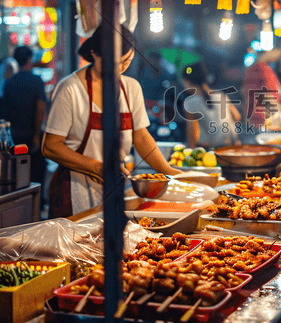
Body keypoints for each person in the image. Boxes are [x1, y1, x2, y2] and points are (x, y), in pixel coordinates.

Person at [43, 26, 180, 217]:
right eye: (116, 63)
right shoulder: (70, 89)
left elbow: (140, 137)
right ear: (94, 53)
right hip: (74, 191)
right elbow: (50, 146)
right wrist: (96, 166)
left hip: (114, 189)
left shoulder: (131, 88)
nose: (121, 69)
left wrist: (168, 171)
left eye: (127, 62)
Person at [1, 46, 47, 188]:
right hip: (31, 136)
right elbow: (40, 109)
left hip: (14, 138)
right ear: (29, 60)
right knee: (36, 173)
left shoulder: (9, 83)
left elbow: (5, 113)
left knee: (17, 174)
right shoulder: (36, 81)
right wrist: (36, 137)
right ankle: (37, 205)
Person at [181, 62, 241, 148]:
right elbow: (237, 116)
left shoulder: (189, 103)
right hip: (231, 146)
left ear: (187, 82)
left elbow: (192, 135)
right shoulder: (221, 95)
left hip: (208, 150)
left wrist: (191, 154)